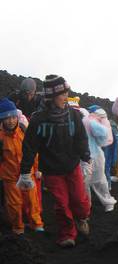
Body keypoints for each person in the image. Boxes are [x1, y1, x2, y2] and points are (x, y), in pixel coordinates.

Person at [19, 75, 91, 248]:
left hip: (72, 165)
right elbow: (29, 147)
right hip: (51, 170)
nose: (66, 97)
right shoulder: (38, 119)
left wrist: (86, 158)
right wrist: (25, 172)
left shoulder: (73, 115)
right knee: (61, 204)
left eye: (67, 92)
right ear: (52, 96)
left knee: (79, 200)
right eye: (62, 94)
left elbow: (81, 138)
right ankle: (67, 233)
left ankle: (81, 218)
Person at [0, 98, 44, 235]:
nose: (11, 121)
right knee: (14, 204)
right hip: (10, 177)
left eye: (13, 117)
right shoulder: (0, 138)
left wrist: (37, 169)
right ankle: (18, 227)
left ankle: (36, 223)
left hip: (27, 173)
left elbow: (33, 152)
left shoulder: (24, 131)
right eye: (7, 118)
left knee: (32, 200)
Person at [81, 105, 117, 212]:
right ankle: (88, 205)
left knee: (95, 181)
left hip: (92, 156)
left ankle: (103, 203)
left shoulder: (86, 121)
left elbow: (103, 132)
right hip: (88, 155)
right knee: (87, 182)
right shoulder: (87, 120)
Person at [102, 119, 118, 190]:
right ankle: (108, 185)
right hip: (109, 151)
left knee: (105, 167)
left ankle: (107, 185)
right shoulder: (113, 125)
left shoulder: (105, 127)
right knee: (106, 167)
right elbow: (117, 143)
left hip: (106, 151)